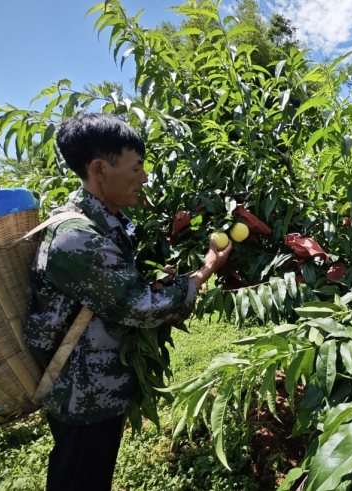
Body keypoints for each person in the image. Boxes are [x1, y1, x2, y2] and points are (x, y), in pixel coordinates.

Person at [24, 113, 231, 491]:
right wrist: (204, 273)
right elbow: (139, 307)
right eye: (137, 168)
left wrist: (150, 284)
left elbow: (109, 294)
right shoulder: (77, 237)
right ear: (100, 170)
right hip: (83, 396)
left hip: (91, 388)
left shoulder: (99, 225)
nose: (145, 177)